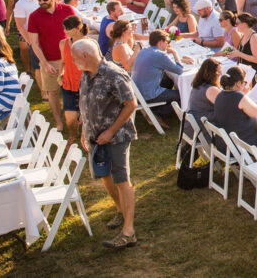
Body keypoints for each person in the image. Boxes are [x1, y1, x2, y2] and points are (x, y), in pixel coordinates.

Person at [69, 37, 140, 250]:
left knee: (121, 178)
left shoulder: (114, 74)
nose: (72, 62)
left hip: (116, 137)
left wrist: (110, 131)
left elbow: (131, 104)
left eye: (74, 58)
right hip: (94, 137)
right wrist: (84, 129)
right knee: (105, 175)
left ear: (85, 56)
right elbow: (84, 104)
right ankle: (121, 210)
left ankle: (129, 231)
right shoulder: (86, 74)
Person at [27, 0, 77, 131]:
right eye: (39, 0)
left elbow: (75, 33)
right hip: (48, 60)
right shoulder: (34, 16)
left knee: (74, 90)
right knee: (53, 92)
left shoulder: (67, 10)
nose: (42, 2)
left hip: (69, 58)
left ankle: (77, 117)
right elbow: (34, 44)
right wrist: (44, 63)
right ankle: (58, 121)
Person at [212, 66, 257, 156]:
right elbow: (255, 112)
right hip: (239, 145)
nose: (245, 84)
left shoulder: (220, 95)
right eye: (244, 82)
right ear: (237, 83)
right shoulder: (238, 96)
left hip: (223, 144)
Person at [132, 30, 187, 117]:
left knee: (168, 79)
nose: (168, 44)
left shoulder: (143, 51)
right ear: (161, 42)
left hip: (138, 92)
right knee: (183, 95)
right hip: (149, 95)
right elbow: (179, 70)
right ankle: (158, 113)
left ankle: (155, 109)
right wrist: (174, 53)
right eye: (167, 42)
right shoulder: (159, 55)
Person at [58, 15, 88, 141]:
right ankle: (73, 135)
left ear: (78, 28)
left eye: (68, 29)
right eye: (64, 28)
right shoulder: (63, 43)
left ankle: (85, 136)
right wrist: (60, 75)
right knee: (70, 117)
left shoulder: (89, 44)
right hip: (68, 83)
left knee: (86, 116)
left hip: (85, 84)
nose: (65, 31)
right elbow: (63, 62)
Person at [186, 59, 221, 139]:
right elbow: (226, 108)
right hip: (201, 130)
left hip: (191, 127)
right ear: (212, 74)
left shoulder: (198, 85)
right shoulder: (211, 90)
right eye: (218, 72)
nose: (220, 74)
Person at [12, 0, 39, 73]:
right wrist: (31, 42)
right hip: (33, 37)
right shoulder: (20, 4)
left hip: (46, 35)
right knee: (38, 66)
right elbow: (21, 26)